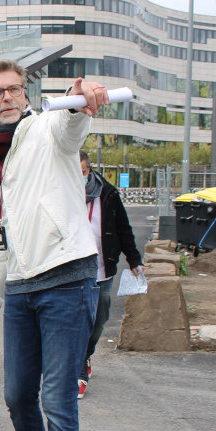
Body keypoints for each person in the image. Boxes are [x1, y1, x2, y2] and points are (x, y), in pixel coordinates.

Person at [0, 59, 106, 431]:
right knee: (17, 394)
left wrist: (80, 93)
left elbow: (73, 124)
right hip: (22, 287)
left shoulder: (48, 127)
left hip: (67, 279)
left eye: (13, 89)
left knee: (58, 399)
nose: (6, 97)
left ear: (26, 94)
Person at [78, 151, 143, 399]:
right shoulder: (62, 193)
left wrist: (134, 259)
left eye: (83, 172)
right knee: (80, 320)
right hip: (74, 271)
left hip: (103, 268)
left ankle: (87, 352)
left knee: (99, 319)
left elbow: (123, 227)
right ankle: (79, 367)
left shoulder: (108, 193)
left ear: (90, 170)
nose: (80, 178)